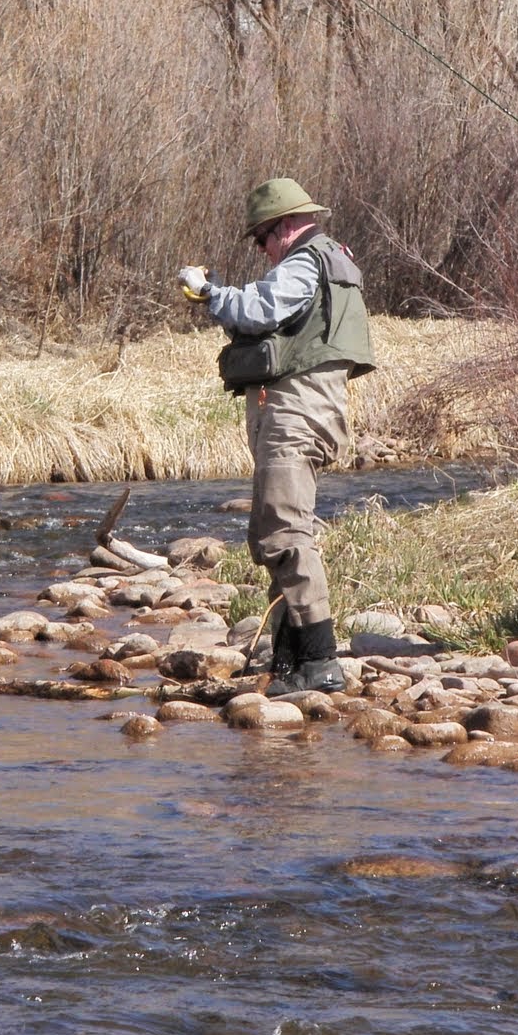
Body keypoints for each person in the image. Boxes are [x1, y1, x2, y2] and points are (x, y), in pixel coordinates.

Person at [176, 179, 376, 693]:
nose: (262, 250)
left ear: (285, 227)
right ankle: (287, 666)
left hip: (296, 409)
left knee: (285, 533)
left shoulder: (306, 261)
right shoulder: (327, 260)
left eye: (262, 238)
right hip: (303, 406)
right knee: (276, 531)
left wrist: (209, 294)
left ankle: (320, 661)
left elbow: (261, 309)